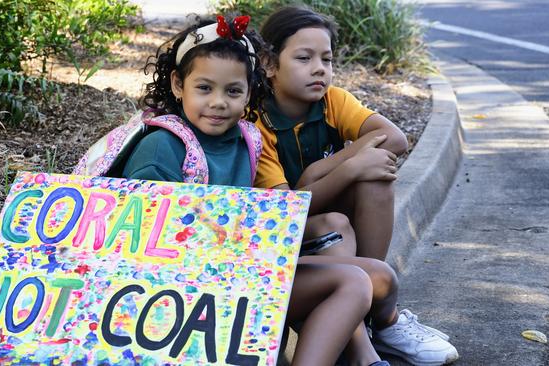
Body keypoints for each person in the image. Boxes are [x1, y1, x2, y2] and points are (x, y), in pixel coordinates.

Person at [120, 15, 390, 366]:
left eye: (233, 91)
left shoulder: (246, 140)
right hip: (177, 298)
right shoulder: (163, 147)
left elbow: (260, 219)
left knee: (355, 281)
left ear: (251, 92)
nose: (218, 102)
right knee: (356, 275)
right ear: (177, 84)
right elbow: (136, 243)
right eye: (204, 88)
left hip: (240, 277)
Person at [254, 6, 459, 365]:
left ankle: (366, 310)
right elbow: (285, 212)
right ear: (269, 64)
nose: (320, 68)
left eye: (327, 58)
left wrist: (327, 169)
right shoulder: (256, 121)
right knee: (336, 219)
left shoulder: (332, 101)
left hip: (334, 232)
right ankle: (373, 322)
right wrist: (348, 169)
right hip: (285, 238)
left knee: (375, 176)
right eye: (304, 57)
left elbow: (394, 139)